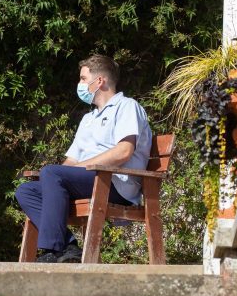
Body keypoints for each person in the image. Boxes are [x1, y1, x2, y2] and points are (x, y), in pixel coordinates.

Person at [15, 54, 152, 263]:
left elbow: (124, 151)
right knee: (27, 190)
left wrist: (75, 169)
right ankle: (69, 246)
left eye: (82, 79)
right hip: (90, 180)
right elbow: (71, 160)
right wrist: (56, 178)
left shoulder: (127, 107)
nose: (79, 84)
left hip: (115, 183)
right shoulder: (89, 119)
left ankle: (53, 249)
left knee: (51, 173)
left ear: (100, 81)